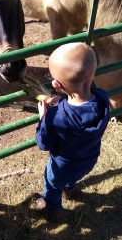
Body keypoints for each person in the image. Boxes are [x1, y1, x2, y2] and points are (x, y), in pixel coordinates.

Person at [34, 42, 110, 221]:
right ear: (93, 72)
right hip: (88, 159)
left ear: (57, 85)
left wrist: (44, 117)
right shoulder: (102, 98)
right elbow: (80, 105)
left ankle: (52, 208)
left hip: (62, 166)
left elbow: (43, 143)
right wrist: (61, 102)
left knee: (52, 184)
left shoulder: (54, 116)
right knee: (72, 176)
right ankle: (69, 188)